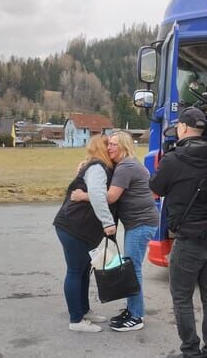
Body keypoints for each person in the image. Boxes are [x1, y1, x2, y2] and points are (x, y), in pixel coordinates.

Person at [149, 107, 207, 358]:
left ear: (183, 129)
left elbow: (157, 187)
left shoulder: (173, 160)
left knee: (182, 298)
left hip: (188, 241)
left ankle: (190, 352)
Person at [72, 131, 159, 332]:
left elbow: (110, 197)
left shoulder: (126, 166)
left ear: (124, 146)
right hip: (139, 223)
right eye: (109, 144)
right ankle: (132, 309)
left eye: (114, 144)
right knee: (129, 267)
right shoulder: (126, 164)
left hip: (141, 223)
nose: (109, 147)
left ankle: (136, 316)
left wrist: (83, 195)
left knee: (132, 268)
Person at [53, 135, 116, 333]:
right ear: (103, 148)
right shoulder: (98, 168)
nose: (113, 148)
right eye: (111, 145)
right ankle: (76, 319)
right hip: (74, 227)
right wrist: (108, 223)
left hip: (78, 227)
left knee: (83, 271)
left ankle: (84, 311)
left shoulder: (94, 166)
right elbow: (97, 196)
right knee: (75, 270)